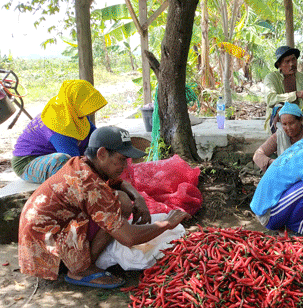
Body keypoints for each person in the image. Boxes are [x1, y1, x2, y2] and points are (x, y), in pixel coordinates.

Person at [18, 126, 190, 288]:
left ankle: (83, 257)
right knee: (120, 204)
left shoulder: (83, 163)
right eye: (121, 160)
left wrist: (138, 197)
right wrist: (168, 223)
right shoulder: (89, 184)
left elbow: (119, 183)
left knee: (120, 200)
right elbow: (128, 238)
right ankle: (80, 270)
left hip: (46, 230)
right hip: (45, 245)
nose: (124, 166)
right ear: (101, 154)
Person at [12, 80, 108, 184]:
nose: (91, 110)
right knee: (65, 162)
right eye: (86, 104)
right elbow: (74, 163)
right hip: (28, 162)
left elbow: (96, 137)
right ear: (75, 101)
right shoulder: (59, 124)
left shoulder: (75, 112)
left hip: (52, 154)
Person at [264, 45, 303, 133]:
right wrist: (295, 95)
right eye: (287, 61)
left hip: (300, 122)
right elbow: (270, 99)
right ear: (279, 65)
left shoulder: (301, 78)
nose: (292, 64)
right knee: (279, 106)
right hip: (280, 124)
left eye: (293, 59)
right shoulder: (271, 78)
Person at [253, 102, 303, 172]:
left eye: (292, 123)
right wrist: (272, 163)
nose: (288, 128)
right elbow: (258, 155)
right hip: (285, 173)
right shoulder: (280, 134)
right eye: (284, 124)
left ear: (300, 120)